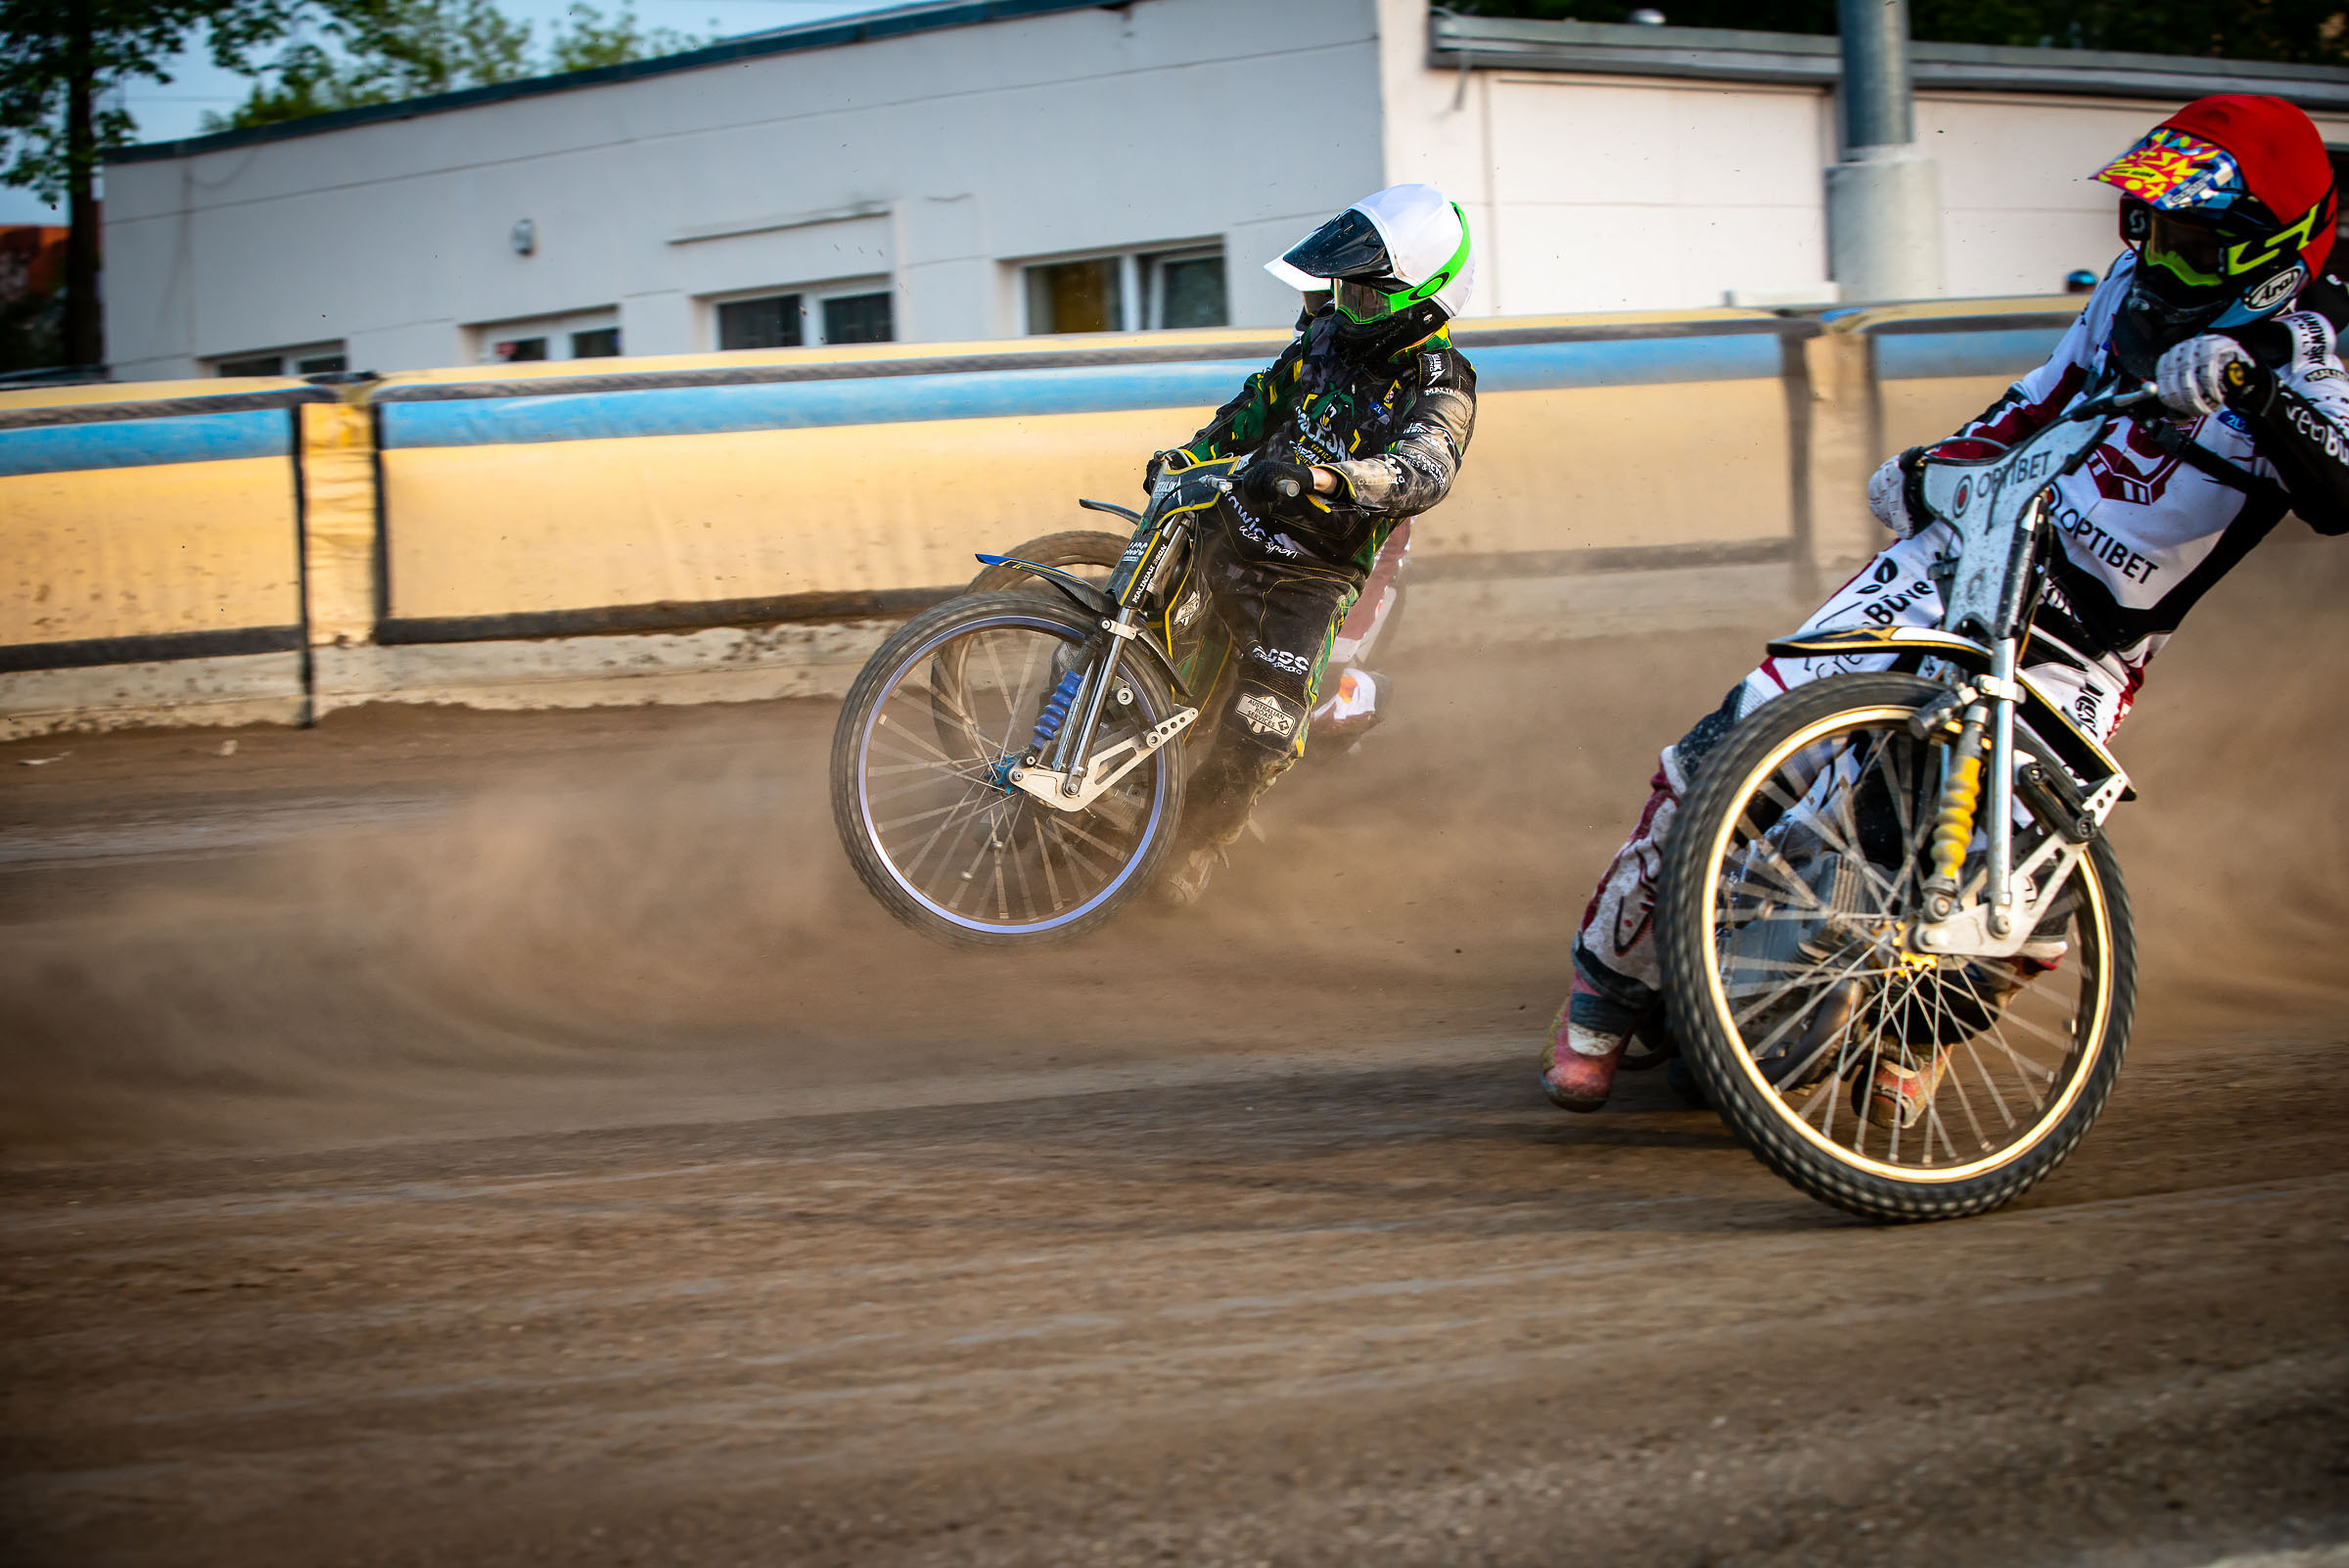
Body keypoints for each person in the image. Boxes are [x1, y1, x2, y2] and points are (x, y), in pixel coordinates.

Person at [1539, 94, 2349, 1118]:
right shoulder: (2122, 297)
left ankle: (1910, 1036)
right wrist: (1933, 469)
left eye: (2195, 240)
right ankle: (1600, 989)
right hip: (1966, 556)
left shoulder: (2323, 346)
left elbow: (2341, 492)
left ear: (2273, 247)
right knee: (1731, 741)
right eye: (2153, 227)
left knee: (2039, 909)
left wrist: (2255, 389)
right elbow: (2034, 403)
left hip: (2089, 646)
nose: (2162, 255)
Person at [1149, 184, 1479, 905]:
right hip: (1232, 521)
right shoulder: (1325, 333)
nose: (1346, 308)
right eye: (1343, 290)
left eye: (1366, 297)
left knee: (1263, 729)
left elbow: (1425, 469)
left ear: (1422, 301)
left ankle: (1191, 844)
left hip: (1314, 574)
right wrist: (1189, 452)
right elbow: (1259, 402)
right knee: (1130, 632)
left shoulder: (1443, 381)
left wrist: (1329, 476)